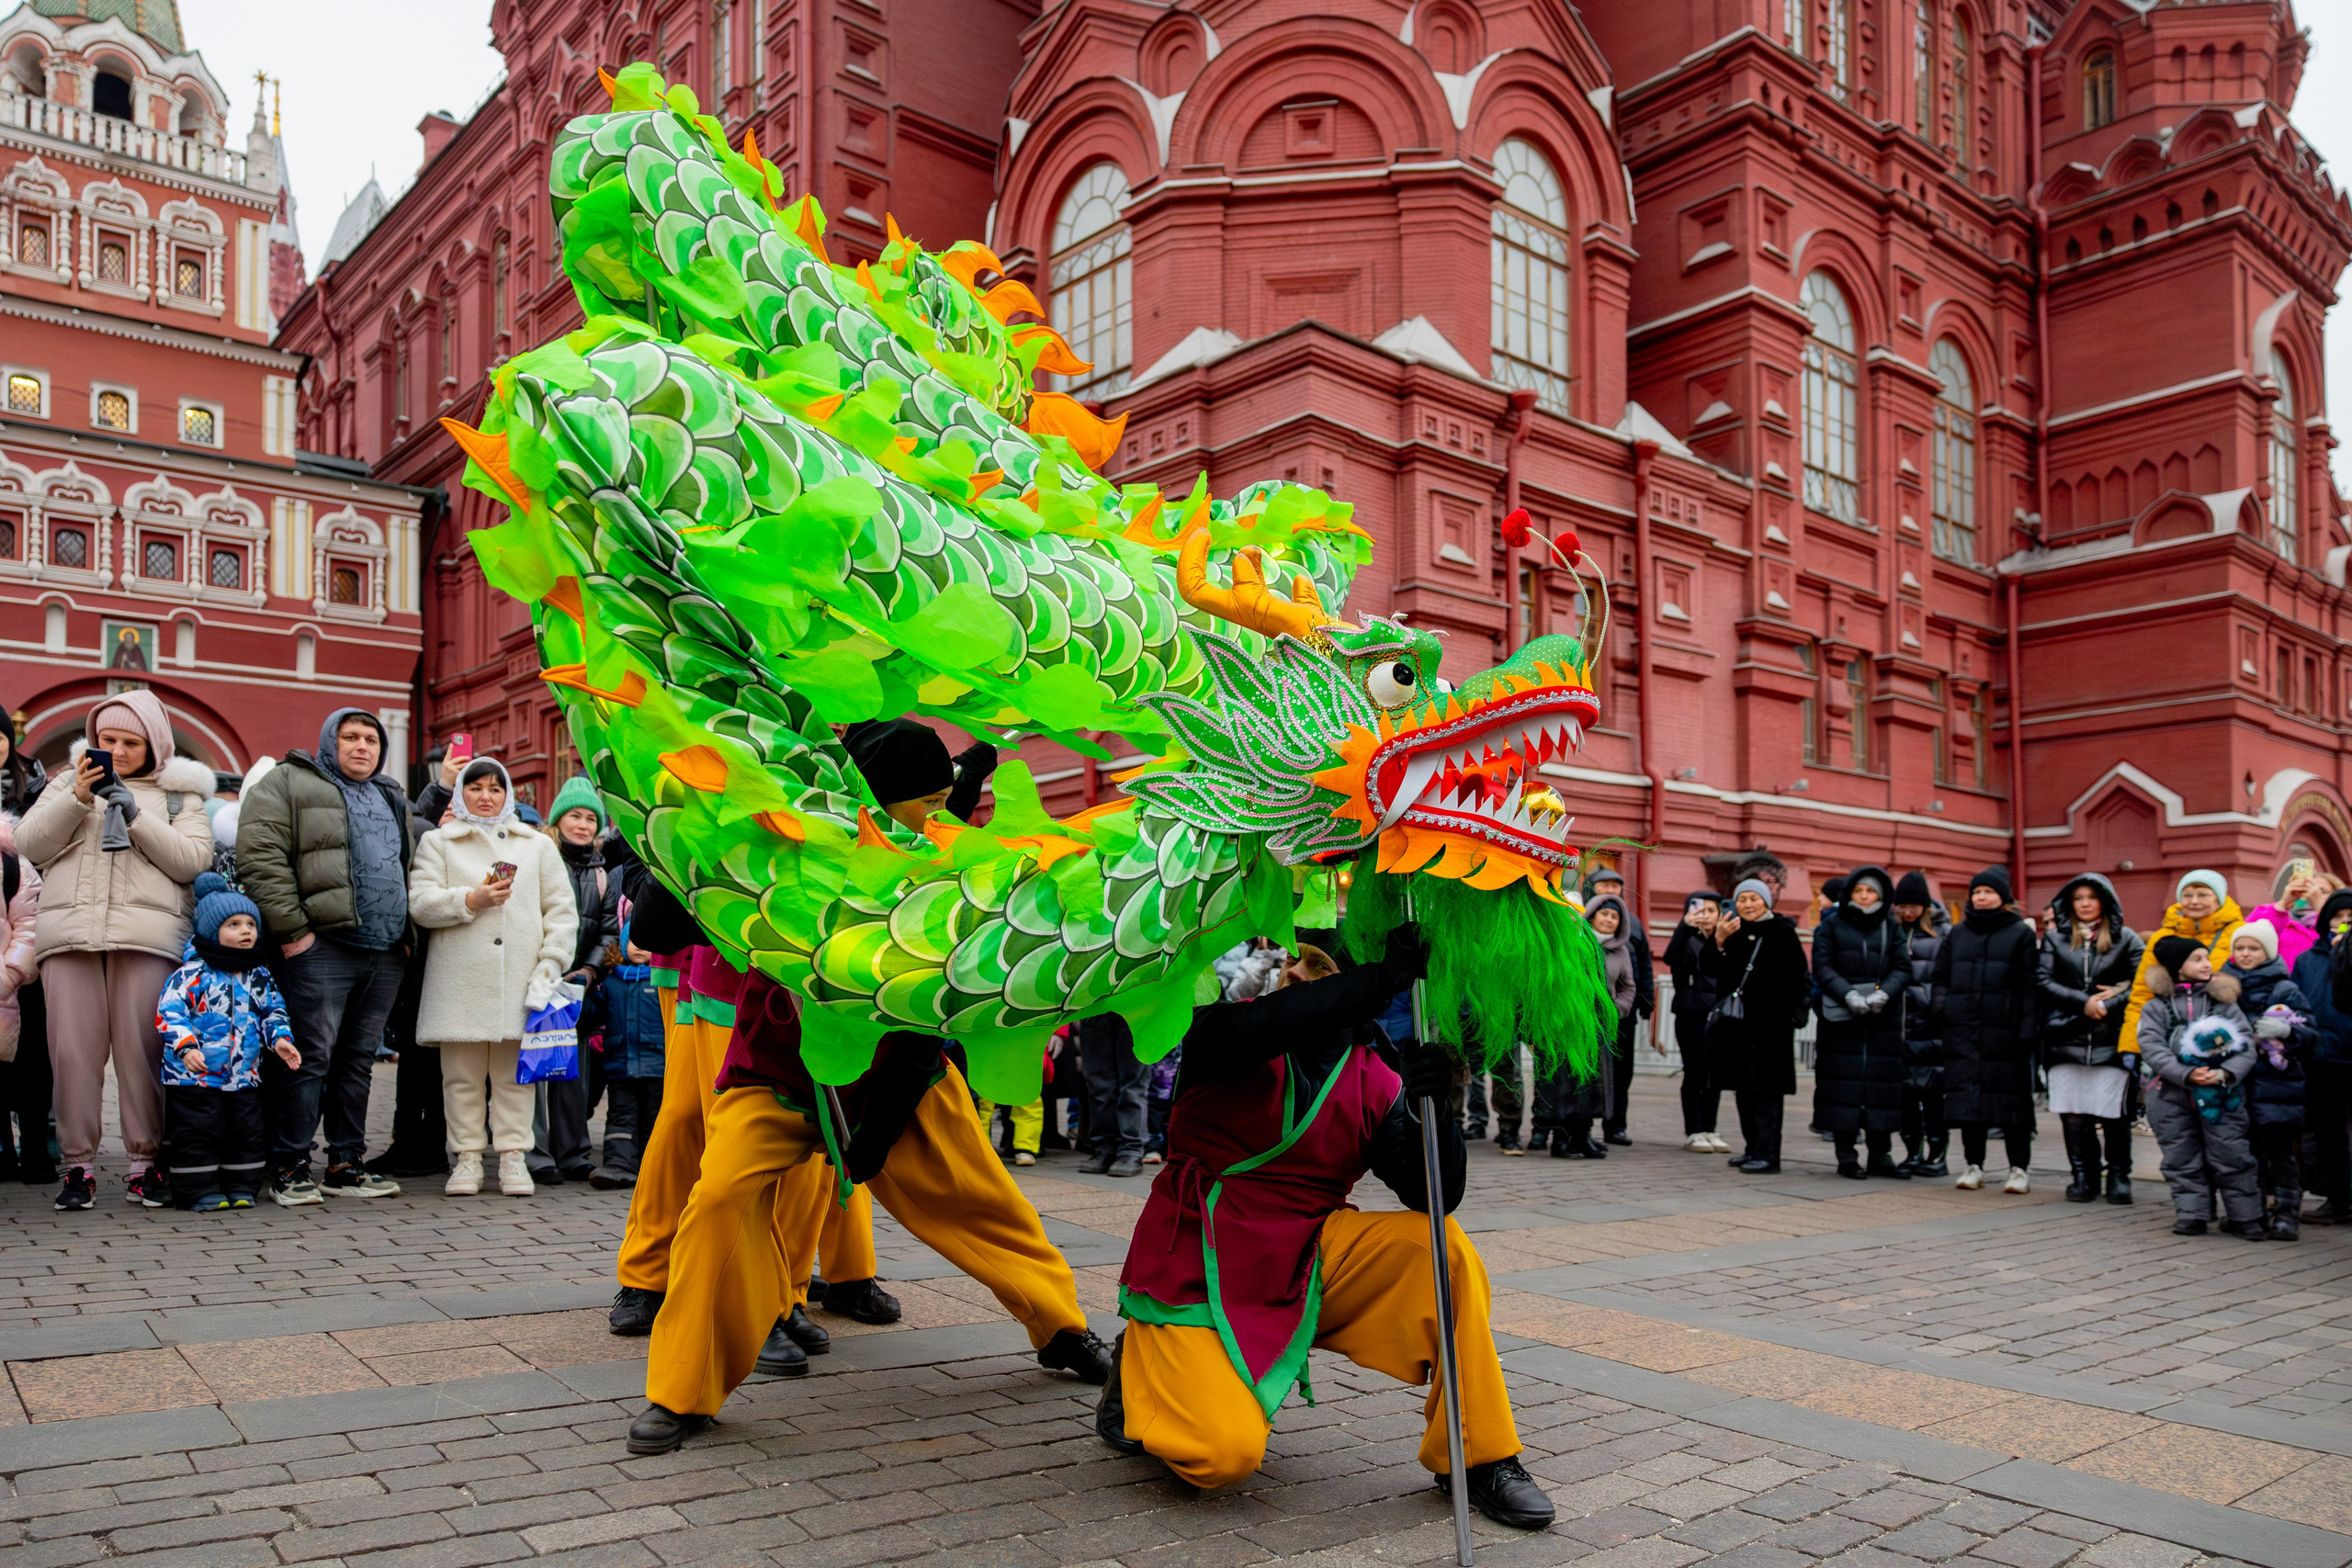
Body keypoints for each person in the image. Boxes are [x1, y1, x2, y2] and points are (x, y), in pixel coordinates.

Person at [1093, 928, 1554, 1531]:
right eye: (1294, 961)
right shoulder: (1222, 1030)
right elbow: (1267, 1023)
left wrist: (1435, 1106)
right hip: (1199, 1256)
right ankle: (1139, 1366)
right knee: (1218, 1455)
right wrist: (1376, 982)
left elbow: (1431, 1193)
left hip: (1306, 1254)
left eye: (1319, 964)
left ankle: (1480, 1455)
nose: (1299, 972)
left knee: (1440, 1249)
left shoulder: (1379, 1070)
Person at [17, 692, 215, 1211]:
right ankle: (77, 1168)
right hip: (70, 938)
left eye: (132, 742)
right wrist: (77, 798)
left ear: (155, 743)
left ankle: (143, 1167)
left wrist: (135, 816)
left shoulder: (179, 797)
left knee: (142, 1055)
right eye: (108, 740)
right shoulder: (65, 783)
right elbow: (29, 844)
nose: (119, 751)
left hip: (147, 939)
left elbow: (192, 860)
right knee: (73, 1057)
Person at [236, 708, 413, 1204]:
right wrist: (295, 934)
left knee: (358, 1061)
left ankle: (345, 1163)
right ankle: (291, 1164)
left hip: (384, 950)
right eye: (350, 737)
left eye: (371, 739)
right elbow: (260, 855)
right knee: (309, 1057)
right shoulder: (287, 781)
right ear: (328, 741)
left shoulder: (390, 794)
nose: (362, 746)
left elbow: (407, 864)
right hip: (321, 948)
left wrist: (404, 937)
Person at [405, 759, 577, 1197]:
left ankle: (514, 1156)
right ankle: (465, 1159)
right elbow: (420, 903)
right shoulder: (438, 842)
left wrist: (552, 961)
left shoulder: (536, 845)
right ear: (460, 792)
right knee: (459, 1076)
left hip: (521, 979)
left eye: (495, 789)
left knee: (515, 1077)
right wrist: (470, 899)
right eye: (476, 787)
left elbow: (560, 910)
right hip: (458, 981)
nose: (486, 796)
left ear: (508, 795)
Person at [158, 874, 301, 1209]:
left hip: (244, 1075)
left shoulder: (258, 974)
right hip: (194, 1076)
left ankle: (241, 1185)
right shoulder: (192, 974)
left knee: (245, 1131)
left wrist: (280, 1039)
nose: (246, 931)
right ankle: (197, 1190)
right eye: (234, 924)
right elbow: (170, 1014)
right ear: (211, 931)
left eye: (251, 923)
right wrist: (187, 1046)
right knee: (199, 1132)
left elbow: (273, 1011)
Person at [2138, 934, 2262, 1238]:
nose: (2207, 963)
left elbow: (2246, 1044)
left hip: (2221, 1094)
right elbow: (2151, 1047)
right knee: (2181, 1155)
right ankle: (2192, 1214)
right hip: (2170, 1094)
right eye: (2197, 959)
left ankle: (2246, 1218)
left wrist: (2226, 1074)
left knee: (2231, 1153)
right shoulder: (2157, 1008)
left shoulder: (2223, 1003)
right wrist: (2185, 1073)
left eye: (2207, 957)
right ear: (2177, 967)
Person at [529, 775, 619, 1185]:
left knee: (573, 1071)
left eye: (590, 818)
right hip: (537, 977)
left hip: (578, 983)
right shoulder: (537, 857)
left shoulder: (603, 874)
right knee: (533, 1066)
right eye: (574, 816)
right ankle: (535, 1153)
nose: (583, 825)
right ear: (558, 819)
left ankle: (573, 1152)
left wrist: (589, 971)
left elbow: (610, 933)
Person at [2038, 874, 2145, 1204]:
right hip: (2065, 1037)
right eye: (2078, 898)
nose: (2085, 903)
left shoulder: (2125, 939)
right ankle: (2083, 1176)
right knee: (2074, 1113)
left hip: (2110, 1039)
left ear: (2105, 901)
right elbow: (2042, 979)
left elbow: (2141, 981)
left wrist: (2107, 1003)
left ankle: (2118, 1177)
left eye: (2091, 897)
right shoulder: (2056, 939)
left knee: (2113, 1113)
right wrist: (2082, 1003)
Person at [1934, 867, 2041, 1193]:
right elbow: (1940, 977)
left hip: (2005, 1035)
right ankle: (1973, 1166)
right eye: (1976, 892)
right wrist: (1943, 1008)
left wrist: (2026, 1030)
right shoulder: (1958, 933)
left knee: (2013, 1106)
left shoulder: (2020, 934)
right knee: (1969, 1104)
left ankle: (2018, 1169)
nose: (1981, 898)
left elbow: (2030, 987)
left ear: (2003, 897)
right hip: (1963, 1032)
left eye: (1988, 892)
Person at [1699, 878, 1806, 1173]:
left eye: (1753, 899)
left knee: (1768, 1092)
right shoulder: (1731, 930)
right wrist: (1717, 940)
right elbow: (1709, 969)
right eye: (1742, 899)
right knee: (1743, 1089)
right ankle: (1751, 1149)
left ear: (1766, 902)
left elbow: (1800, 976)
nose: (1747, 905)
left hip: (1773, 1027)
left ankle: (1769, 1155)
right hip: (1736, 1026)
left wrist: (1795, 1016)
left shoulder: (1783, 932)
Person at [1811, 866, 1911, 1179]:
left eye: (1871, 892)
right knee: (1844, 1089)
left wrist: (1884, 993)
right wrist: (1848, 993)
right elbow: (1822, 966)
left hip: (1883, 1019)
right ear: (1850, 894)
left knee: (1881, 1088)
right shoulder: (1832, 926)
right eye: (1859, 891)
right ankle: (1846, 1156)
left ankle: (1881, 1155)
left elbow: (1902, 968)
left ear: (1881, 896)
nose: (1865, 897)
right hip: (1842, 1019)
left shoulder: (1890, 927)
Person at [2223, 919, 2313, 1240]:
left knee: (2282, 1153)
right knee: (2247, 1152)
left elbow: (2310, 1033)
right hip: (2239, 1082)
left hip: (2278, 1085)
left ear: (2268, 951)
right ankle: (2253, 1211)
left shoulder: (2284, 988)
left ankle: (2288, 1212)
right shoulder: (2222, 985)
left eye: (2253, 948)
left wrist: (2287, 1032)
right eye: (2240, 947)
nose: (2246, 954)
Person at [2121, 870, 2245, 1051]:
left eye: (2203, 895)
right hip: (2169, 1040)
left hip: (2225, 1036)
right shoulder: (2163, 937)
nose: (2194, 901)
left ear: (2219, 899)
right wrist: (2132, 1045)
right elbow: (2142, 993)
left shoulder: (2239, 934)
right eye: (2187, 895)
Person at [1552, 896, 1635, 1159]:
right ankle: (1561, 1140)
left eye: (1615, 917)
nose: (1609, 920)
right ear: (1592, 915)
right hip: (1572, 1025)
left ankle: (1583, 1136)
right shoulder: (1574, 941)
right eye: (1604, 914)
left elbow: (1628, 987)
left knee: (1594, 1085)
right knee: (1569, 1083)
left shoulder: (1621, 951)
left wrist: (1616, 1010)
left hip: (1600, 1026)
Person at [588, 909, 666, 1189]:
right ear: (622, 944)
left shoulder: (663, 983)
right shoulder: (611, 982)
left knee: (654, 1116)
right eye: (634, 941)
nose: (640, 947)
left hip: (659, 1064)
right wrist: (577, 1001)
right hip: (620, 1064)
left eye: (648, 941)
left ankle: (653, 1166)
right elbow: (595, 1014)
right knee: (620, 1114)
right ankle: (619, 1164)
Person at [1581, 866, 1652, 1145]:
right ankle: (1581, 1125)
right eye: (1604, 885)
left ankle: (1615, 1126)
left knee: (1622, 1071)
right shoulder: (1580, 923)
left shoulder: (1631, 922)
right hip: (1589, 1015)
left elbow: (1643, 964)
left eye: (1616, 885)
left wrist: (1645, 1002)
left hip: (1624, 1011)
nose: (1611, 891)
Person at [2299, 891, 2352, 1224]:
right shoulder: (2308, 959)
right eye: (2338, 915)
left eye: (2351, 915)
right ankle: (2339, 1199)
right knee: (2329, 1133)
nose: (2344, 921)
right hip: (2322, 1057)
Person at [1891, 874, 1949, 1176]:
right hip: (1900, 1027)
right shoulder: (1892, 930)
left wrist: (1933, 1006)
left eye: (1913, 906)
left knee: (1933, 1095)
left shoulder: (1943, 933)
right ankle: (1912, 1151)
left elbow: (1946, 979)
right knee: (1905, 1098)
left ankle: (1937, 1155)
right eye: (1902, 906)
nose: (1908, 912)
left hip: (1930, 1026)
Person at [1664, 892, 1725, 1153]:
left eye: (1713, 910)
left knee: (1715, 1075)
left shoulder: (1726, 941)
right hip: (1691, 1014)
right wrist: (1685, 926)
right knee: (1695, 1073)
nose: (1707, 915)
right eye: (1702, 910)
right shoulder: (1686, 938)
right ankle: (1694, 1131)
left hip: (1721, 1016)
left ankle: (1710, 1129)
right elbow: (1670, 958)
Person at [2241, 870, 2338, 977]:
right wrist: (2282, 904)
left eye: (2323, 891)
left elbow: (2343, 941)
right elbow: (2248, 939)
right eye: (2306, 889)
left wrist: (2322, 909)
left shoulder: (2344, 920)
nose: (2312, 894)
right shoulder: (2275, 914)